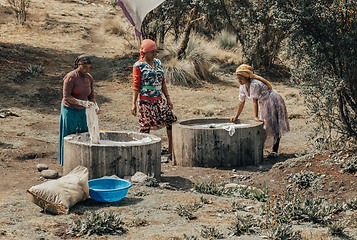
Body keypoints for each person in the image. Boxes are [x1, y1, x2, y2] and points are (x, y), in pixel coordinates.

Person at [230, 64, 289, 157]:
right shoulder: (242, 87)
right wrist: (236, 116)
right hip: (264, 102)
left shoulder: (254, 84)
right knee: (266, 126)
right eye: (238, 78)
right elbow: (241, 102)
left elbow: (254, 101)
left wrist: (256, 117)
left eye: (241, 78)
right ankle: (260, 150)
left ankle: (274, 151)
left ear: (247, 77)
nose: (239, 80)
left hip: (272, 100)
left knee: (272, 124)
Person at [131, 39, 177, 154]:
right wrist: (133, 104)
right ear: (144, 52)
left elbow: (163, 82)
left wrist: (168, 98)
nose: (154, 54)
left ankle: (170, 150)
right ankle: (143, 151)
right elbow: (136, 85)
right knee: (145, 126)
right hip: (145, 101)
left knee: (170, 119)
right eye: (152, 51)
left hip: (159, 99)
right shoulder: (138, 65)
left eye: (155, 51)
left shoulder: (158, 63)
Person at [58, 55, 99, 166]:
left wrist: (95, 105)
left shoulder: (89, 77)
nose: (86, 70)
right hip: (70, 109)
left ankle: (80, 161)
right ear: (78, 65)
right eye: (84, 67)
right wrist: (82, 102)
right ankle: (66, 162)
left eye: (89, 67)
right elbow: (67, 97)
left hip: (82, 110)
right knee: (69, 135)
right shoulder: (71, 77)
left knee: (83, 133)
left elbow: (91, 95)